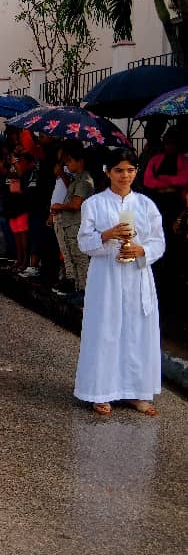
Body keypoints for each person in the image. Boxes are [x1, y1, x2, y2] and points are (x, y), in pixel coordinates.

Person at [74, 148, 165, 417]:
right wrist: (107, 235)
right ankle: (100, 392)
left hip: (137, 276)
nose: (125, 175)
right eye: (119, 170)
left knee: (137, 332)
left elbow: (158, 241)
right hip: (107, 276)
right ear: (108, 172)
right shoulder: (94, 204)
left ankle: (136, 392)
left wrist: (141, 250)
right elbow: (84, 242)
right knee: (106, 330)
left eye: (130, 170)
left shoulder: (146, 205)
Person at [51, 143, 94, 298]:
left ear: (80, 161)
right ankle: (78, 288)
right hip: (70, 225)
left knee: (80, 259)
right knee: (74, 257)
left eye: (70, 161)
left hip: (77, 225)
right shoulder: (77, 179)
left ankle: (85, 292)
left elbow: (76, 204)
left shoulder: (85, 180)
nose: (68, 164)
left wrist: (60, 206)